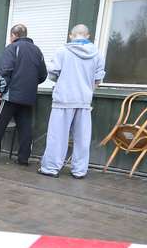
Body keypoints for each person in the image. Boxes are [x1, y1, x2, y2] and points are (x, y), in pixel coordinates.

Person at [38, 24, 106, 179]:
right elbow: (97, 80)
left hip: (64, 98)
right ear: (88, 36)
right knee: (82, 138)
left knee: (57, 136)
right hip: (84, 100)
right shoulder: (98, 54)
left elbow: (53, 74)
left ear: (71, 35)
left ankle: (50, 168)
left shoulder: (62, 51)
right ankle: (79, 170)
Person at [0, 24, 47, 165]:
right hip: (28, 97)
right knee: (25, 128)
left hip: (11, 95)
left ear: (13, 35)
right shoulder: (37, 51)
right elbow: (43, 75)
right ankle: (23, 159)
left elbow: (4, 71)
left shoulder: (12, 48)